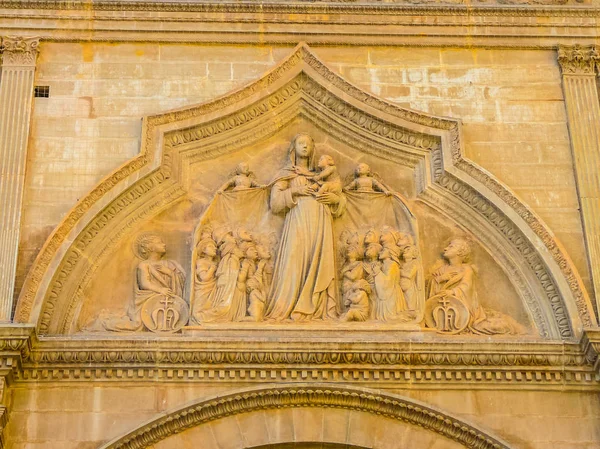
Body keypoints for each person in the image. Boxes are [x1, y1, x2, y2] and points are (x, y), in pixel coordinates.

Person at [265, 134, 346, 320]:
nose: (304, 147)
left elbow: (339, 197)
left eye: (308, 144)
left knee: (320, 261)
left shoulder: (323, 173)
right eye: (301, 144)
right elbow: (275, 203)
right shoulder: (287, 173)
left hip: (322, 223)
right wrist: (297, 190)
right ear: (294, 148)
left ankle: (318, 308)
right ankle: (287, 306)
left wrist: (335, 200)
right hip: (298, 221)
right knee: (294, 260)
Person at [427, 238, 524, 335]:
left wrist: (452, 292)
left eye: (451, 246)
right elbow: (433, 287)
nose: (445, 248)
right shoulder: (442, 269)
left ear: (460, 252)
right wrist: (441, 279)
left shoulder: (466, 269)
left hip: (465, 309)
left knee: (486, 325)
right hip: (443, 307)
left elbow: (466, 286)